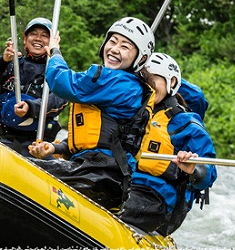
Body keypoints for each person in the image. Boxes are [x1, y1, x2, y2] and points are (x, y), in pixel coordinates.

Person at [28, 17, 155, 212]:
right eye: (112, 42)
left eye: (125, 46)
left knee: (28, 171)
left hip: (99, 173)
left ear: (141, 59)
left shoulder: (119, 82)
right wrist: (55, 148)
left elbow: (63, 83)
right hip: (99, 170)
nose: (114, 49)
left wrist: (54, 52)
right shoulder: (128, 84)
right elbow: (101, 135)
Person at [120, 53, 217, 235]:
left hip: (157, 200)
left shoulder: (185, 123)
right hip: (123, 185)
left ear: (171, 83)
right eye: (143, 79)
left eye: (153, 79)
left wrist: (194, 169)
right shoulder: (129, 112)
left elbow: (209, 172)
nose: (146, 85)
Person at [0, 17, 68, 156]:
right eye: (33, 34)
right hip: (3, 139)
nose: (38, 39)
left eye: (44, 35)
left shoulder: (56, 72)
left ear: (52, 42)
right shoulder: (11, 64)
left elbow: (60, 100)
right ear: (25, 39)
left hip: (36, 145)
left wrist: (31, 107)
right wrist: (2, 61)